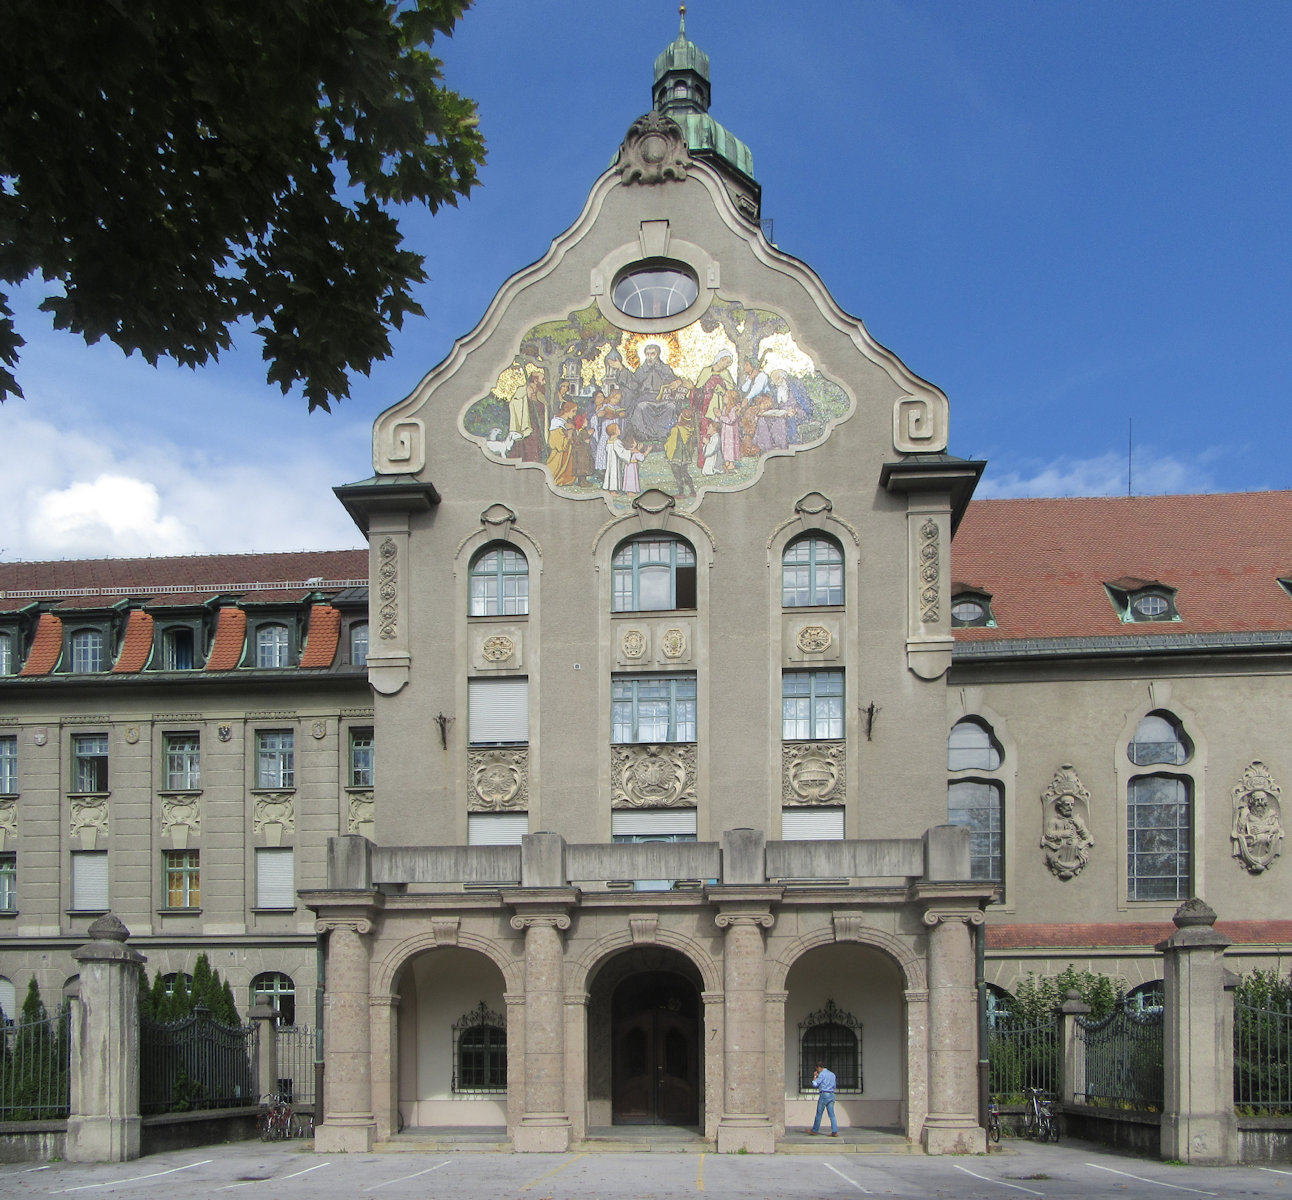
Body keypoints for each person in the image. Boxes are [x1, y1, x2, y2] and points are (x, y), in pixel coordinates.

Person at [808, 1061, 838, 1136]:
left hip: (824, 1094)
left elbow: (815, 1084)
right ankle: (835, 1131)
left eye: (817, 1069)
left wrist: (815, 1077)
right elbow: (834, 1086)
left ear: (819, 1067)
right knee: (832, 1114)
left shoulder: (822, 1074)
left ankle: (815, 1130)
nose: (817, 1071)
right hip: (832, 1094)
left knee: (819, 1113)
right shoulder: (832, 1074)